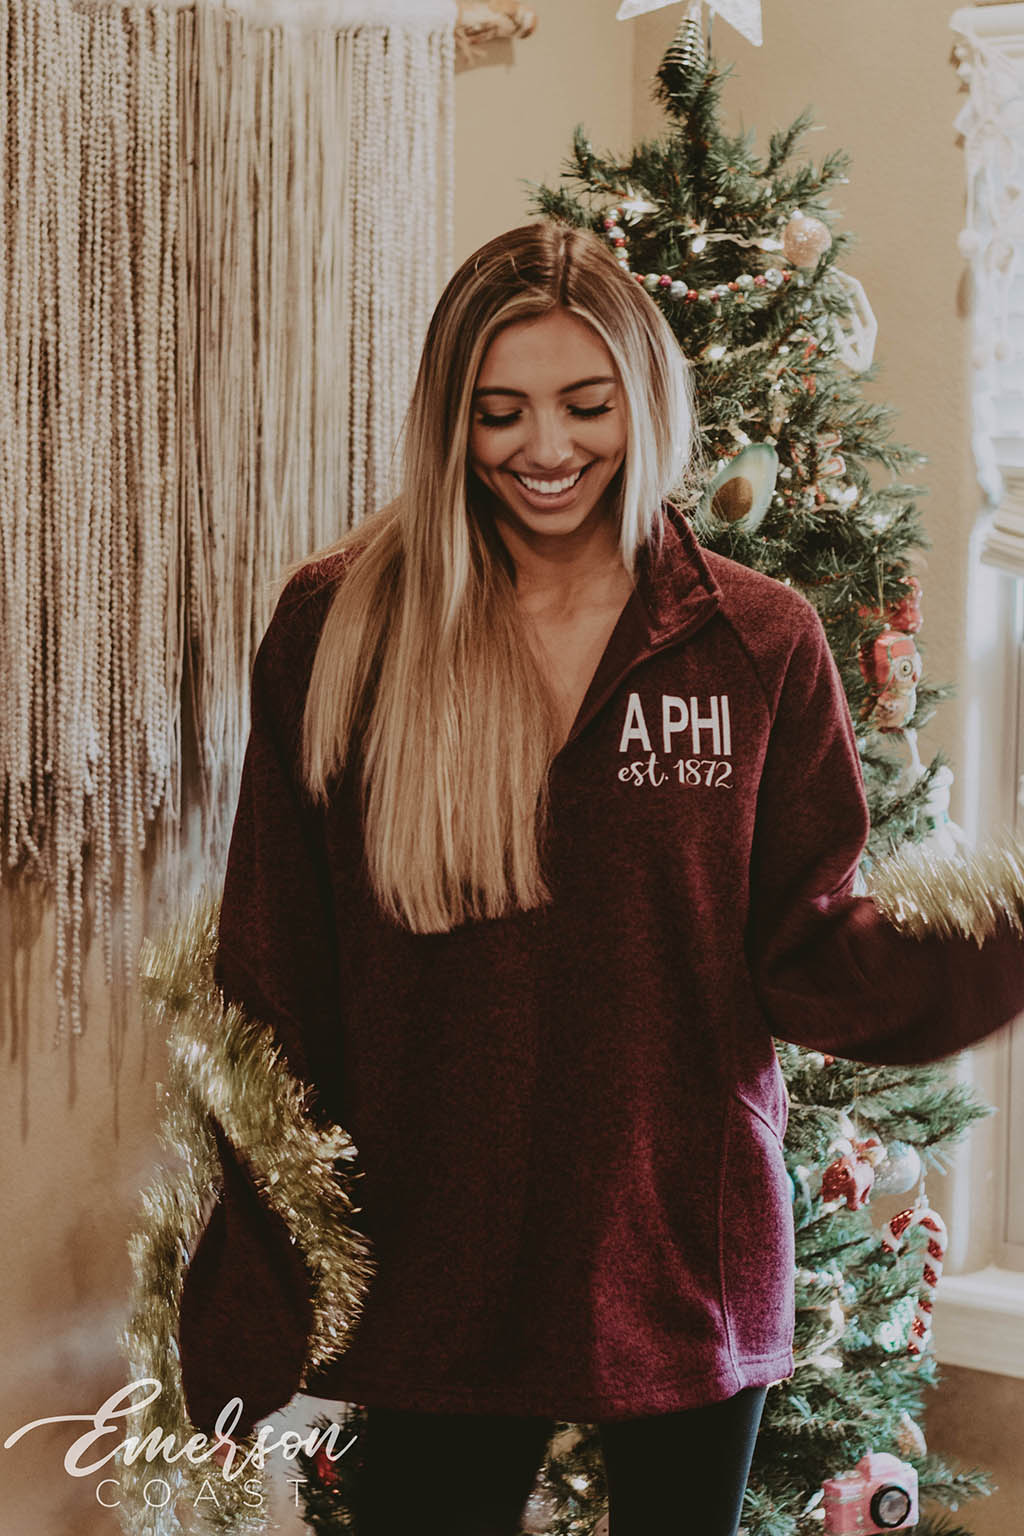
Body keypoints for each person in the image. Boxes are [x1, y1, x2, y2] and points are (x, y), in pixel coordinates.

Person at [177, 221, 1024, 1536]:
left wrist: (995, 942)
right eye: (500, 411)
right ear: (450, 418)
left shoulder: (756, 643)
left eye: (587, 404)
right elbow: (274, 967)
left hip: (683, 1251)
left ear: (647, 399)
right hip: (436, 1263)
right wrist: (255, 1269)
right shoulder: (339, 631)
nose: (547, 448)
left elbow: (807, 951)